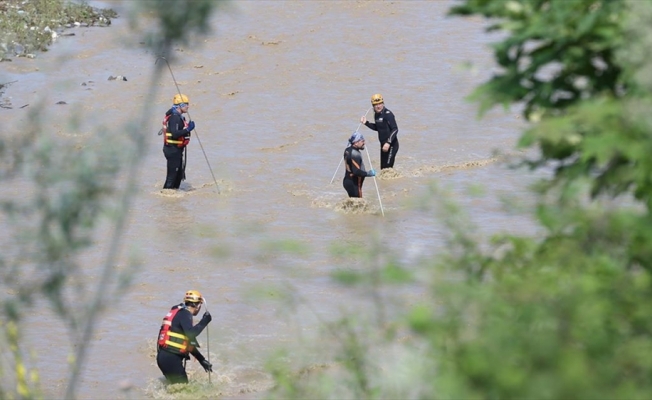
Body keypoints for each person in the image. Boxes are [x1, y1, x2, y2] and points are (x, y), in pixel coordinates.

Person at [156, 289, 213, 384]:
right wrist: (205, 321)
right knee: (184, 390)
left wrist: (201, 360)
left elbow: (186, 342)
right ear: (198, 305)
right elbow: (191, 334)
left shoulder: (178, 312)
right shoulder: (185, 314)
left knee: (176, 389)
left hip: (163, 357)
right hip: (171, 358)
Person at [162, 93, 195, 189]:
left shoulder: (178, 116)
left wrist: (187, 128)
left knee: (178, 175)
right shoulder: (175, 118)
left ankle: (174, 197)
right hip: (172, 150)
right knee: (172, 176)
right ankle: (166, 195)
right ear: (180, 106)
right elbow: (175, 133)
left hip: (177, 149)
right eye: (186, 104)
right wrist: (188, 129)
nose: (188, 106)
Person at [360, 93, 399, 169]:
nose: (378, 106)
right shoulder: (376, 115)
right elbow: (378, 128)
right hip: (383, 145)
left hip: (391, 145)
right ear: (372, 106)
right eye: (375, 104)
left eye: (380, 104)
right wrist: (366, 123)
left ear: (383, 103)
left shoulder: (388, 114)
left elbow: (395, 129)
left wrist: (388, 143)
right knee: (383, 168)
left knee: (388, 169)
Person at [342, 131, 376, 198]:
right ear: (356, 142)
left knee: (354, 204)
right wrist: (368, 173)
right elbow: (356, 171)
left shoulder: (348, 150)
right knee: (359, 205)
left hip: (348, 181)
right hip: (354, 183)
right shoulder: (355, 154)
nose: (364, 143)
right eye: (362, 141)